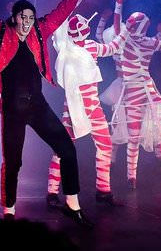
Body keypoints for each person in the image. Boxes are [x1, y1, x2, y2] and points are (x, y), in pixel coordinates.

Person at [0, 0, 93, 227]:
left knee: (67, 150)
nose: (27, 22)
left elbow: (61, 13)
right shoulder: (0, 34)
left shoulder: (40, 31)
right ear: (15, 17)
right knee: (13, 162)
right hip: (13, 109)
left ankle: (72, 205)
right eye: (23, 17)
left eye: (31, 17)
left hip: (37, 105)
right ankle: (8, 213)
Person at [47, 11, 128, 207]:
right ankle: (54, 192)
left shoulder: (65, 47)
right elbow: (114, 47)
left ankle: (101, 190)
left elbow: (112, 47)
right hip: (83, 107)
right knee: (70, 148)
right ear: (87, 31)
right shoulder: (86, 47)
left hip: (84, 107)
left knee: (97, 146)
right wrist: (127, 29)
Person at [110, 10, 161, 191]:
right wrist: (118, 4)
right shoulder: (124, 41)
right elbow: (116, 29)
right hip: (133, 91)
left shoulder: (146, 42)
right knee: (134, 134)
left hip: (148, 91)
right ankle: (131, 177)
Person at [96, 0, 161, 164]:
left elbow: (152, 44)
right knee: (120, 119)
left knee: (152, 115)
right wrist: (117, 4)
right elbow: (103, 34)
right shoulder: (118, 42)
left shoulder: (132, 40)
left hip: (140, 83)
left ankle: (159, 152)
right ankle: (112, 156)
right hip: (123, 86)